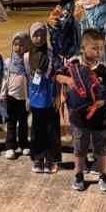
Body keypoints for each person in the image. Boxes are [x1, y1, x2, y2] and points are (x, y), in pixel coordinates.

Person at [54, 28, 106, 192]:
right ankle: (79, 174)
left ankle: (103, 175)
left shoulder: (102, 68)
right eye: (94, 48)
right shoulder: (73, 64)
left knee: (102, 148)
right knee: (79, 148)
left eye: (101, 48)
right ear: (83, 48)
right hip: (79, 118)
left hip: (100, 117)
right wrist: (68, 80)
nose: (99, 52)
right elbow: (57, 75)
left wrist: (103, 99)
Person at [26, 22, 62, 174]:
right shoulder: (27, 56)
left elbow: (60, 75)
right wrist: (27, 98)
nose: (39, 38)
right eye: (35, 35)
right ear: (30, 37)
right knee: (37, 130)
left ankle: (51, 159)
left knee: (52, 130)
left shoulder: (52, 53)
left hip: (50, 97)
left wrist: (59, 96)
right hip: (35, 99)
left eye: (42, 34)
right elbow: (27, 78)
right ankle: (38, 158)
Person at [0, 32, 30, 160]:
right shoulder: (8, 61)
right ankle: (10, 147)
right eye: (16, 45)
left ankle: (24, 144)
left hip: (25, 97)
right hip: (11, 96)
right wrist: (3, 93)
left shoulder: (28, 62)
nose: (18, 48)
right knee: (11, 123)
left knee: (23, 122)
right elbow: (5, 78)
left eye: (22, 45)